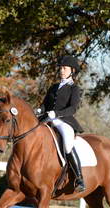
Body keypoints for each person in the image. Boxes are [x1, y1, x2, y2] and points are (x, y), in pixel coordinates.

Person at [35, 55, 86, 192]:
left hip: (64, 121)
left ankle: (79, 178)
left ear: (72, 71)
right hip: (47, 118)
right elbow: (45, 105)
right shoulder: (53, 87)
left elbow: (73, 108)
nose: (61, 71)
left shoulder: (74, 89)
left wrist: (56, 114)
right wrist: (39, 110)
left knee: (68, 144)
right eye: (61, 68)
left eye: (64, 68)